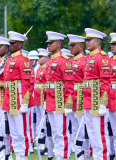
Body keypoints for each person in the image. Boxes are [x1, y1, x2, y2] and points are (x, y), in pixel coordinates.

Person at [1, 31, 32, 160]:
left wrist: (25, 101)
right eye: (10, 43)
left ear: (20, 45)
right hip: (9, 96)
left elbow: (27, 82)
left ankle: (23, 156)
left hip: (19, 97)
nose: (10, 46)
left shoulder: (23, 60)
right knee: (13, 131)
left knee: (21, 131)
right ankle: (18, 153)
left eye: (13, 43)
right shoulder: (9, 60)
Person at [45, 31, 74, 160]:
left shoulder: (64, 61)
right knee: (55, 133)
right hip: (51, 99)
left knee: (61, 133)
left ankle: (63, 156)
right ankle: (58, 155)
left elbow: (69, 84)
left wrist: (68, 102)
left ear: (58, 44)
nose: (48, 45)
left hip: (60, 100)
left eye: (51, 43)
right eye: (48, 43)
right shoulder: (50, 60)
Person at [83, 28, 110, 160]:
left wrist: (103, 103)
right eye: (86, 40)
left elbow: (105, 82)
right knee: (92, 134)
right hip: (87, 99)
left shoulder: (102, 58)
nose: (87, 42)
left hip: (96, 99)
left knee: (100, 134)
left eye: (89, 40)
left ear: (98, 41)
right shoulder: (88, 58)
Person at [67, 34, 86, 160]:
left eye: (73, 45)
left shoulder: (84, 61)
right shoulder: (71, 61)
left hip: (81, 99)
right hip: (71, 99)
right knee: (74, 129)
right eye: (70, 45)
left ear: (80, 46)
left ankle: (84, 155)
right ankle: (78, 155)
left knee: (82, 130)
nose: (71, 48)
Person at [109, 32, 116, 160]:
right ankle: (112, 151)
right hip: (110, 98)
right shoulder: (109, 60)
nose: (112, 46)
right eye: (112, 44)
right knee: (111, 128)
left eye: (115, 44)